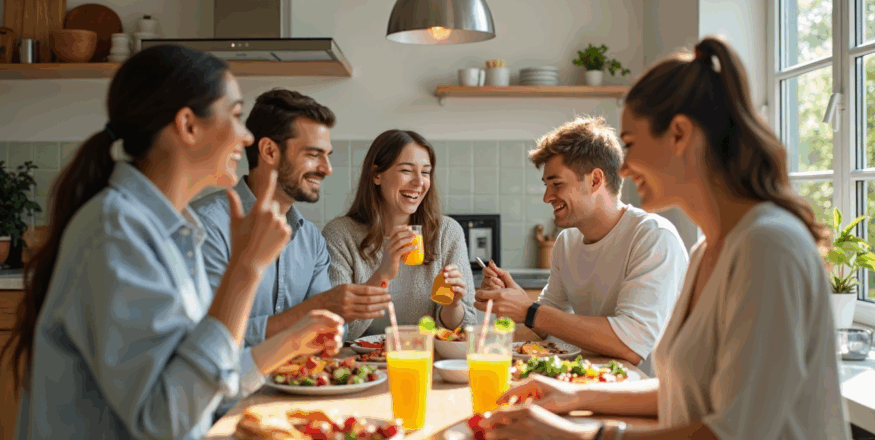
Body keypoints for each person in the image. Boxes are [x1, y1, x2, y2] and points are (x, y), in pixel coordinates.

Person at [484, 37, 850, 440]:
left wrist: (585, 436)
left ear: (679, 134)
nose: (622, 167)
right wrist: (571, 394)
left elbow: (736, 433)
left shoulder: (768, 247)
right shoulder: (707, 250)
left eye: (630, 146)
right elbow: (684, 395)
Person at [0, 45, 344, 440]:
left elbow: (204, 379)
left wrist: (288, 343)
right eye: (234, 116)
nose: (246, 136)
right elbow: (164, 420)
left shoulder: (172, 230)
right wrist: (245, 270)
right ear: (188, 125)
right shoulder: (117, 231)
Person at [191, 88, 389, 418]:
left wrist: (328, 325)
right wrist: (315, 310)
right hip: (219, 410)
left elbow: (321, 335)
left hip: (297, 404)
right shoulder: (206, 227)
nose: (327, 168)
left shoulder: (310, 239)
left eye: (327, 155)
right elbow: (208, 341)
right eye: (314, 155)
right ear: (269, 150)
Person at [475, 115, 689, 374]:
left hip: (651, 397)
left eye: (557, 184)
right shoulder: (567, 242)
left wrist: (529, 310)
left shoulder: (653, 237)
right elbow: (548, 324)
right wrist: (514, 299)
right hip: (596, 382)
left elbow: (632, 344)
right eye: (546, 185)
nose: (547, 197)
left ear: (595, 181)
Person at [322, 129, 477, 339]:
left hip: (425, 359)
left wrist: (453, 304)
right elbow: (336, 329)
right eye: (406, 170)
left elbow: (466, 329)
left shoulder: (447, 233)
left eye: (425, 172)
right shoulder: (340, 235)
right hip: (363, 365)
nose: (419, 182)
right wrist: (382, 275)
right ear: (377, 174)